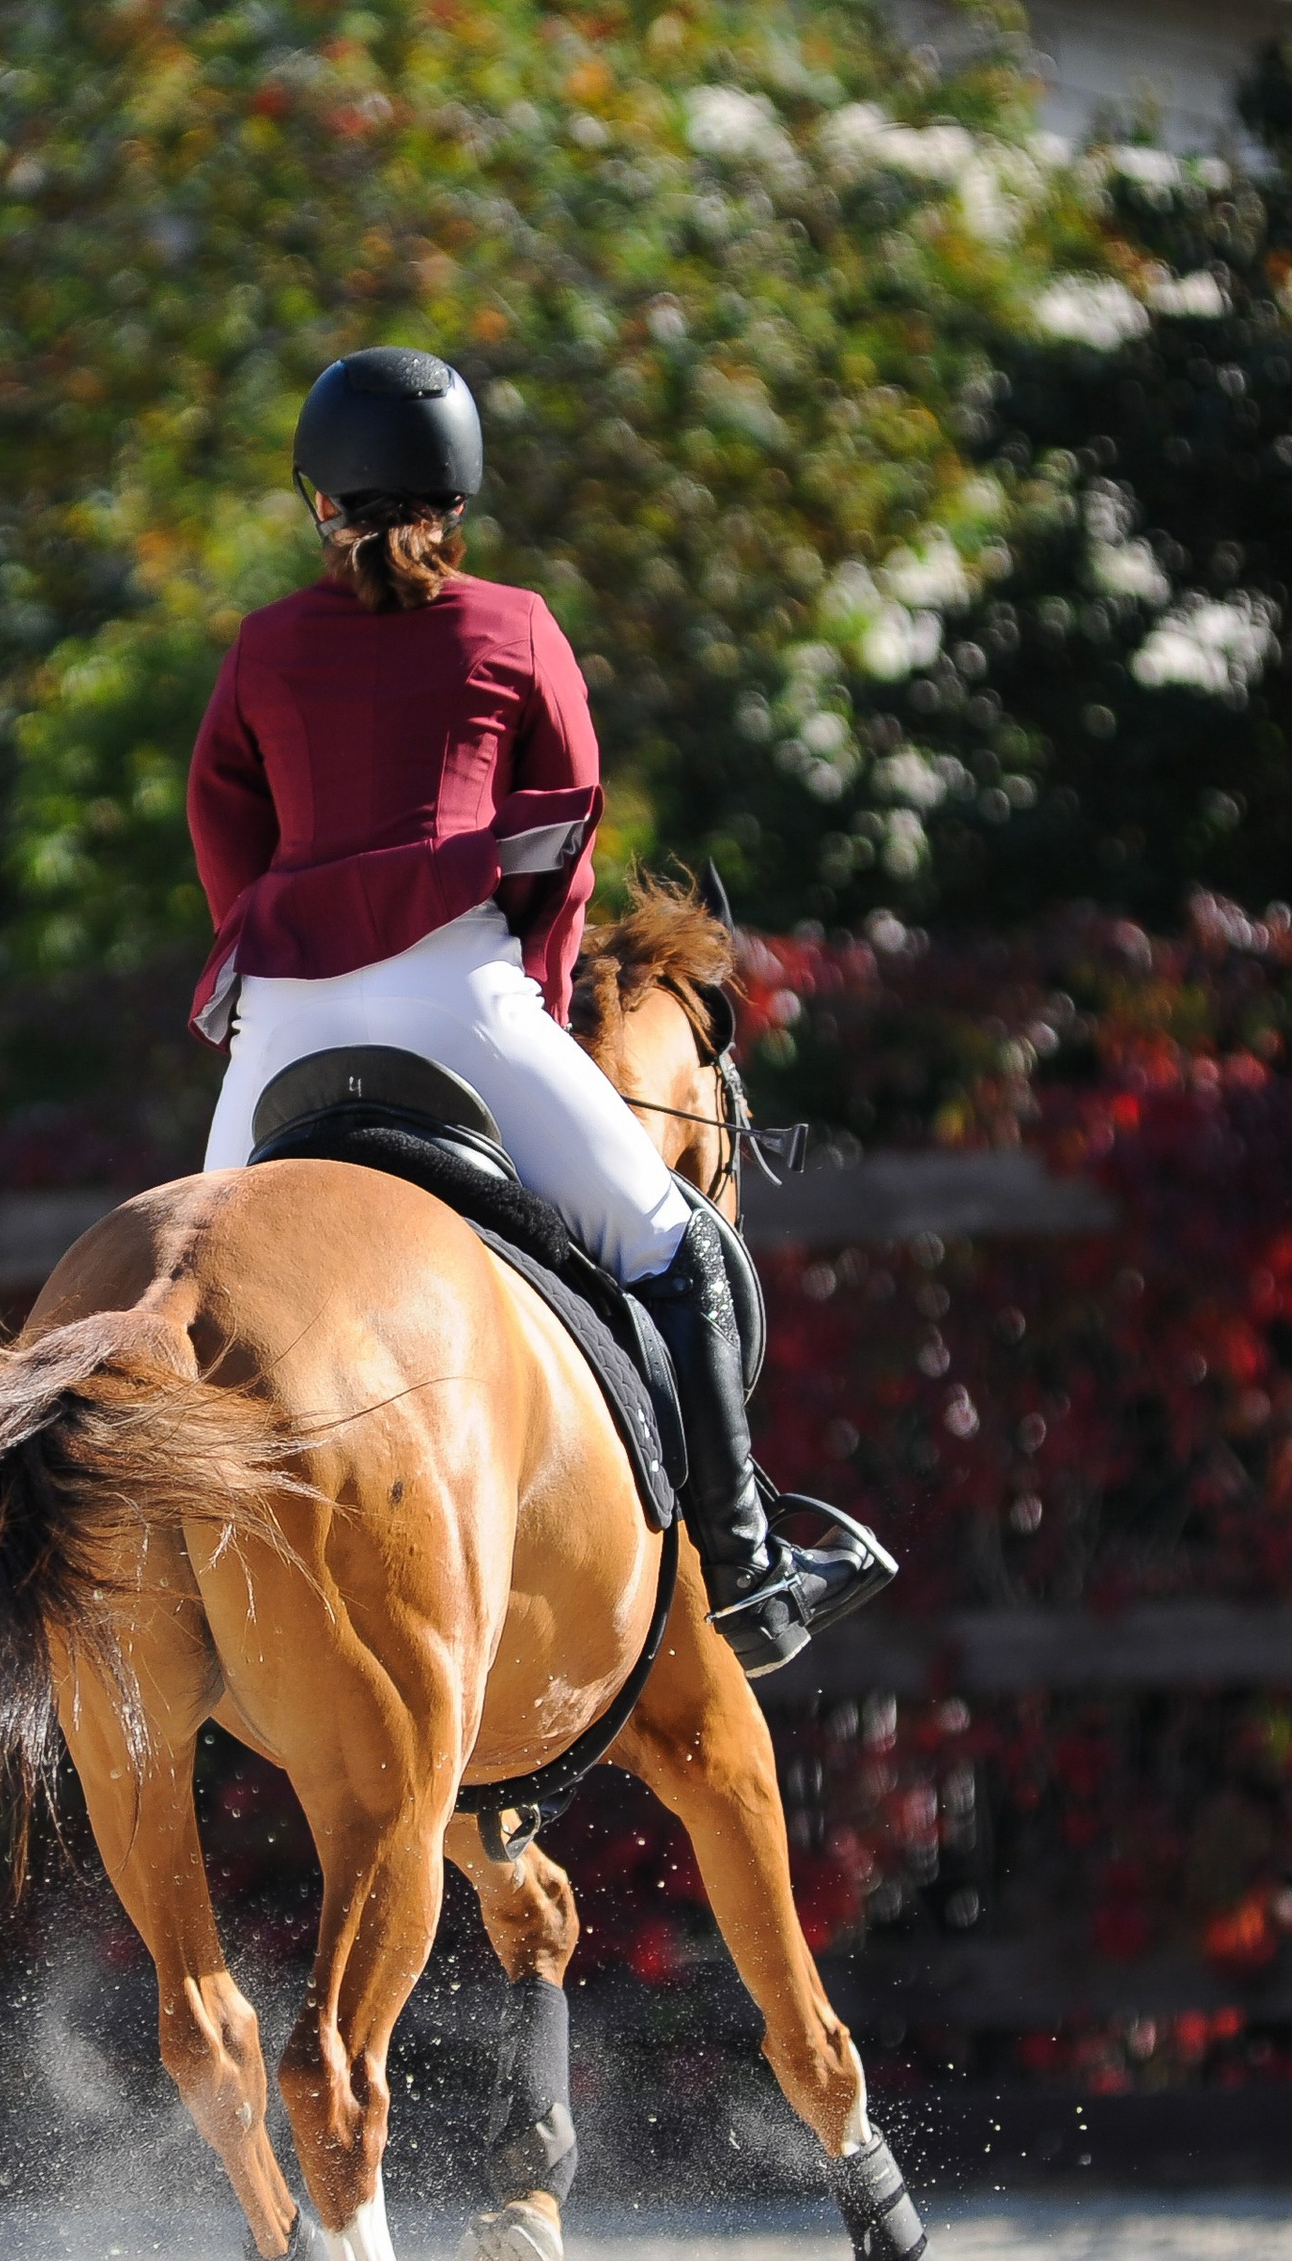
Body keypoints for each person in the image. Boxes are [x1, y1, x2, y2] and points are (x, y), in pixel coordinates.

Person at [186, 345, 891, 1674]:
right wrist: (542, 994)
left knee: (193, 1311)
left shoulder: (264, 647)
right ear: (458, 496)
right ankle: (747, 1579)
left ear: (316, 499)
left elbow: (219, 816)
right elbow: (568, 828)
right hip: (460, 998)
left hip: (280, 1021)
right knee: (671, 1245)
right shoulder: (512, 627)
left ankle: (185, 1610)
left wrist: (263, 937)